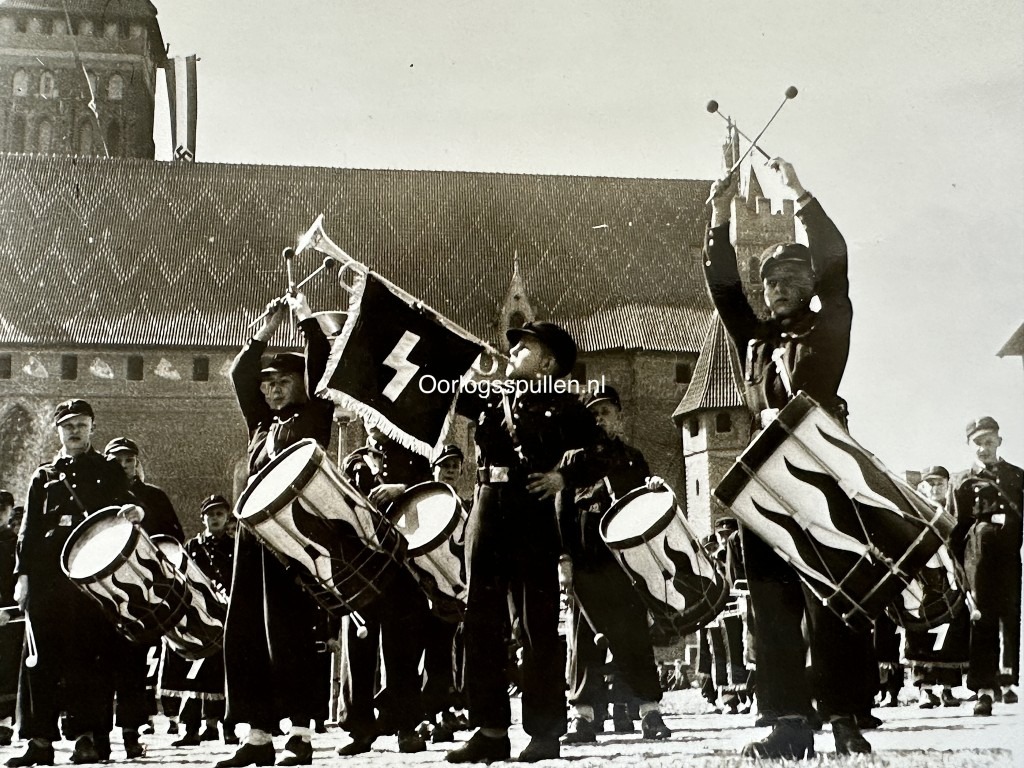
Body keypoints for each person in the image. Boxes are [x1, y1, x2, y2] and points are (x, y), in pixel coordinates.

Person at [705, 160, 875, 758]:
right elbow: (724, 289)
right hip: (766, 481)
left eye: (789, 278)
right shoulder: (753, 340)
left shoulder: (830, 327)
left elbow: (838, 266)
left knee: (832, 597)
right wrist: (719, 216)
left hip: (822, 474)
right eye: (770, 281)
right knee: (771, 603)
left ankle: (844, 715)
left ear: (808, 284)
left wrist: (800, 196)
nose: (776, 288)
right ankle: (789, 721)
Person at [445, 320, 607, 764]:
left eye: (524, 348)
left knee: (536, 623)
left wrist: (563, 477)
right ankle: (490, 730)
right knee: (480, 618)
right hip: (486, 505)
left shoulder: (566, 404)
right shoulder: (491, 396)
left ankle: (545, 731)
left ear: (548, 363)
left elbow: (603, 451)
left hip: (529, 509)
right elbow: (446, 392)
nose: (512, 352)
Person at [217, 292, 334, 768]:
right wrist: (263, 331)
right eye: (269, 385)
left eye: (284, 382)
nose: (273, 391)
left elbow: (324, 367)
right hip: (252, 538)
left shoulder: (315, 415)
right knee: (245, 631)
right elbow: (239, 375)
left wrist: (305, 320)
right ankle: (258, 736)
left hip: (292, 538)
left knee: (289, 632)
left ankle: (301, 735)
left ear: (302, 385)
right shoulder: (262, 425)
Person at [8, 399, 135, 766]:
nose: (74, 431)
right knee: (39, 659)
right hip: (47, 580)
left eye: (81, 424)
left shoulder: (107, 470)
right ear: (58, 431)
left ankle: (87, 738)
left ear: (92, 427)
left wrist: (135, 510)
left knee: (89, 658)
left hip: (89, 578)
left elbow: (126, 507)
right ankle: (39, 741)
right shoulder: (43, 476)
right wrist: (23, 577)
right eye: (67, 425)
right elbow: (29, 530)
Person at [558, 384, 671, 745]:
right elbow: (562, 511)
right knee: (583, 639)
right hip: (586, 560)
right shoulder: (572, 460)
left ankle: (650, 712)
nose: (599, 419)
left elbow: (645, 509)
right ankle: (583, 717)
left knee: (634, 635)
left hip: (625, 563)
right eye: (592, 414)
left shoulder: (633, 459)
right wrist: (564, 559)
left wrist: (653, 489)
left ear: (620, 417)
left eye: (606, 412)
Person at [335, 426, 431, 756]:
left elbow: (434, 494)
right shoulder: (354, 463)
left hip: (402, 565)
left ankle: (405, 725)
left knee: (402, 647)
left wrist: (401, 489)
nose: (372, 422)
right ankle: (359, 727)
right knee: (358, 647)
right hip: (362, 566)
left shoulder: (415, 456)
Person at [102, 437, 187, 758]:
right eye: (116, 461)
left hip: (139, 590)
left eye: (129, 460)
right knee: (99, 663)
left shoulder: (154, 496)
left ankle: (130, 733)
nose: (124, 466)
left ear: (137, 463)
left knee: (132, 663)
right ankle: (96, 735)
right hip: (102, 591)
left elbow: (174, 538)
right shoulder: (99, 495)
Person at [949, 417, 1023, 716]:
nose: (983, 448)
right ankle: (983, 689)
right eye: (977, 443)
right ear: (969, 445)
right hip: (977, 557)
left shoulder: (1017, 476)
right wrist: (957, 568)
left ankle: (1008, 680)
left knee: (1011, 616)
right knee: (982, 618)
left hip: (1010, 554)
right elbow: (955, 527)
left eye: (989, 442)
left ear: (999, 442)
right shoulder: (962, 481)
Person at [161, 494, 236, 747]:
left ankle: (227, 727)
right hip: (198, 616)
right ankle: (190, 729)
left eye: (220, 514)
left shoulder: (235, 546)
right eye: (210, 514)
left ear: (227, 517)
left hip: (225, 617)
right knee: (192, 674)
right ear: (202, 518)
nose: (215, 518)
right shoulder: (192, 547)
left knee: (224, 674)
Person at [416, 445, 470, 744]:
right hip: (423, 586)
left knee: (442, 651)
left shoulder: (464, 507)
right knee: (423, 652)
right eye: (445, 465)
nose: (450, 470)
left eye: (455, 466)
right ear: (433, 468)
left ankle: (442, 712)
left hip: (450, 591)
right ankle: (426, 714)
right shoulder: (423, 503)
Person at [903, 466, 968, 709]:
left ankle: (948, 689)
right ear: (922, 486)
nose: (935, 488)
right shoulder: (914, 511)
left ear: (947, 485)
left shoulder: (956, 513)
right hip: (924, 581)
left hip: (952, 580)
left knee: (953, 634)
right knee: (920, 633)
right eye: (930, 483)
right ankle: (925, 690)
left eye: (939, 483)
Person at [0, 490, 20, 747]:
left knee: (6, 669)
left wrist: (11, 610)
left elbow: (19, 581)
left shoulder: (15, 544)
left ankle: (4, 724)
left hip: (7, 615)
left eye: (2, 510)